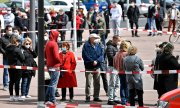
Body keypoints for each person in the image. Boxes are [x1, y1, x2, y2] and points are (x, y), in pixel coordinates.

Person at [82, 33, 104, 102]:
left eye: (97, 38)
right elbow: (85, 55)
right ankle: (88, 97)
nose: (96, 39)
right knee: (88, 83)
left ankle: (96, 96)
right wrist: (92, 61)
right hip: (89, 67)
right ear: (91, 38)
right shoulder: (86, 45)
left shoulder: (99, 45)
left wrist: (97, 61)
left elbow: (102, 54)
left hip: (97, 66)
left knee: (97, 82)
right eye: (95, 38)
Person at [6, 34, 25, 101]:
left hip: (10, 66)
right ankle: (17, 96)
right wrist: (21, 52)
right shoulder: (17, 49)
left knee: (11, 81)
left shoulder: (7, 48)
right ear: (16, 41)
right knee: (17, 81)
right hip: (18, 66)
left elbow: (6, 55)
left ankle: (11, 96)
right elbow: (23, 58)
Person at [44, 30, 61, 105]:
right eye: (58, 36)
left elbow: (45, 55)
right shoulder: (54, 44)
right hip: (55, 66)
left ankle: (46, 99)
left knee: (51, 83)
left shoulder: (48, 43)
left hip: (49, 65)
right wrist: (61, 61)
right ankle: (52, 100)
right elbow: (56, 57)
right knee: (53, 84)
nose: (59, 37)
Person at [106, 35, 121, 105]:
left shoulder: (115, 47)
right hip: (112, 67)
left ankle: (115, 97)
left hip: (117, 67)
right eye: (118, 40)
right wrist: (119, 59)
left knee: (117, 84)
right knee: (112, 83)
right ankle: (110, 99)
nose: (119, 42)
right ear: (114, 39)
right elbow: (111, 57)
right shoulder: (109, 47)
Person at [113, 41, 130, 105]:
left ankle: (123, 100)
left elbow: (114, 63)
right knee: (127, 86)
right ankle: (127, 100)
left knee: (122, 85)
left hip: (119, 72)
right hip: (126, 72)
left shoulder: (117, 54)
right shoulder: (126, 54)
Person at [0, 25, 13, 91]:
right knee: (6, 72)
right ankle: (5, 85)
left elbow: (18, 44)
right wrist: (5, 53)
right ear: (6, 30)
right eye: (9, 30)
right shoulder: (2, 38)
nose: (10, 31)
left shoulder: (14, 37)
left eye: (11, 30)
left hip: (13, 57)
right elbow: (0, 47)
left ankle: (12, 83)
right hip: (6, 57)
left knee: (13, 71)